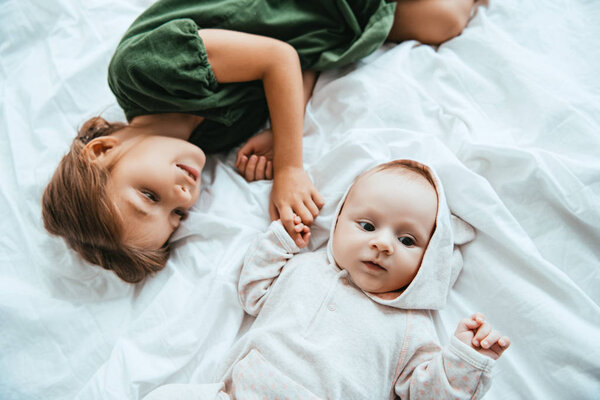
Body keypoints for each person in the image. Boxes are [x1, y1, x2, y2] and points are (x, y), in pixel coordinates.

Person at [42, 0, 478, 282]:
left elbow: (278, 58)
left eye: (148, 194)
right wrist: (276, 128)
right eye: (176, 214)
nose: (181, 196)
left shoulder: (142, 71)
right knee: (447, 19)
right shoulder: (210, 138)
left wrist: (289, 166)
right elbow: (300, 63)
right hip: (327, 23)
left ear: (103, 150)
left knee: (442, 14)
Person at [144, 159, 511, 399]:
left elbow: (424, 394)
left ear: (430, 260)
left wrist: (464, 359)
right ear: (336, 224)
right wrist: (281, 242)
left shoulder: (411, 327)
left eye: (407, 240)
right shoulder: (303, 267)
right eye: (367, 226)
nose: (382, 244)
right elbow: (251, 293)